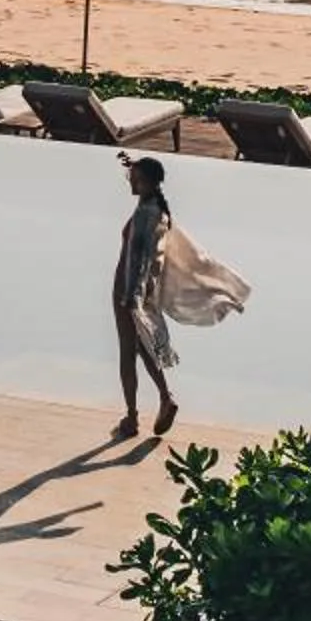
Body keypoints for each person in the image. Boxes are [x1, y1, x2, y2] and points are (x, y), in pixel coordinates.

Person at [112, 153, 179, 439]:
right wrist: (131, 164)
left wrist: (131, 296)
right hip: (141, 288)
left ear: (148, 182)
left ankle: (131, 417)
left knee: (128, 353)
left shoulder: (145, 214)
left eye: (135, 179)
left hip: (127, 289)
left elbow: (139, 257)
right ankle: (165, 397)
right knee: (142, 347)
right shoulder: (156, 208)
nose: (130, 182)